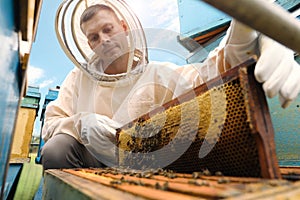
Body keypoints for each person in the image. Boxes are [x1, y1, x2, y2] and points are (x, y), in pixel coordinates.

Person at [41, 2, 300, 170]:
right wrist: (82, 123)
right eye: (94, 37)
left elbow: (211, 72)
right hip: (92, 162)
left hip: (142, 165)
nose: (104, 40)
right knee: (56, 149)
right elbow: (50, 125)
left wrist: (256, 30)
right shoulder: (78, 78)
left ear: (124, 27)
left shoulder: (157, 74)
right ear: (89, 44)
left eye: (108, 30)